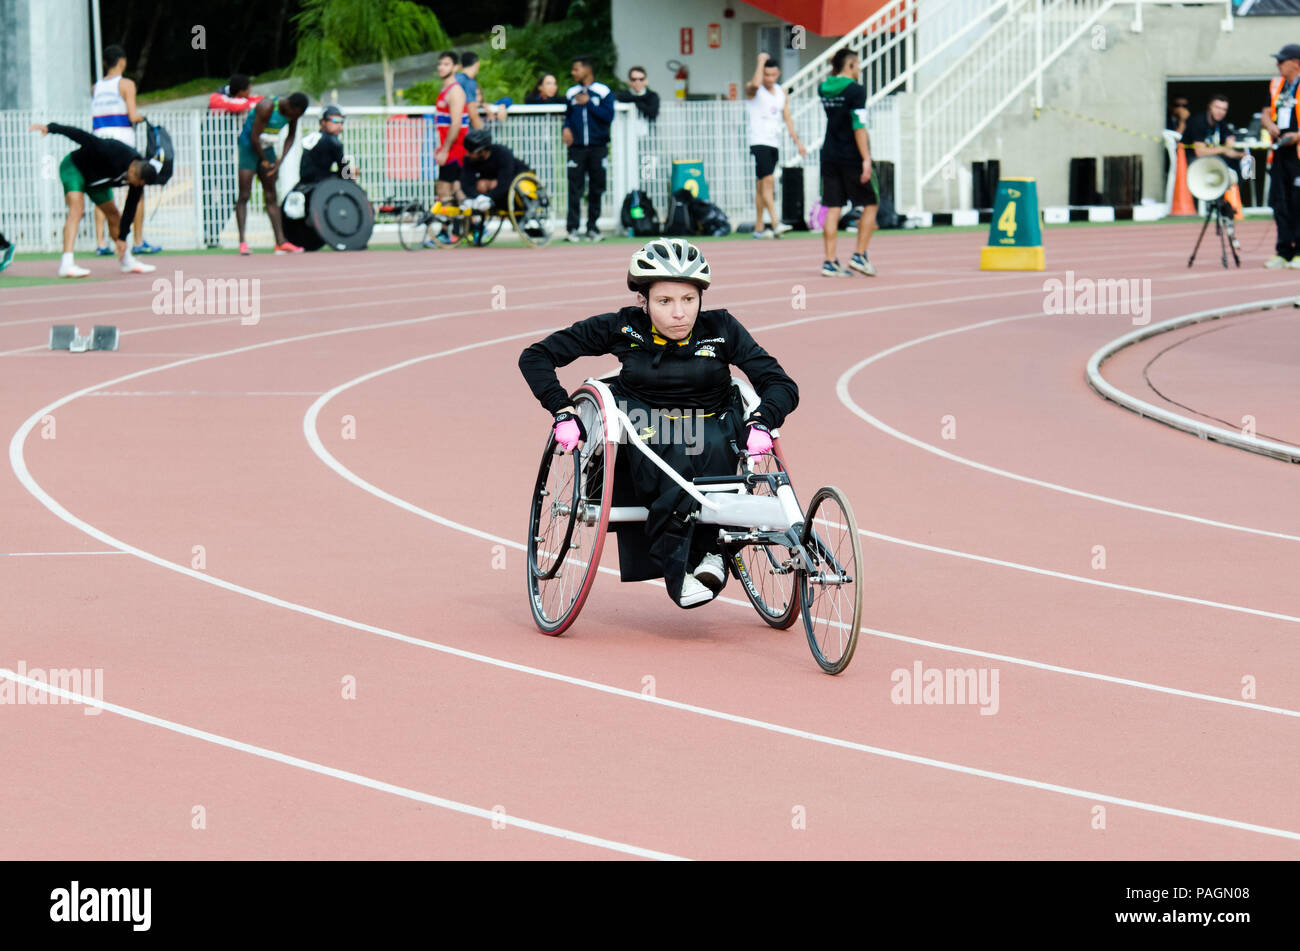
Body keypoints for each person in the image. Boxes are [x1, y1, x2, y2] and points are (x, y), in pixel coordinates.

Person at [517, 238, 799, 608]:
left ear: (701, 298)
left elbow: (780, 382)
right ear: (644, 301)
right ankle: (683, 566)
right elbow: (536, 356)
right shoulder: (623, 328)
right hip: (645, 422)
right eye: (665, 302)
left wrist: (763, 419)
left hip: (713, 421)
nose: (679, 314)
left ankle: (713, 552)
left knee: (711, 447)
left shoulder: (723, 328)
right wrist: (562, 409)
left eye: (689, 300)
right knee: (674, 460)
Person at [28, 121, 158, 277]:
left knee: (114, 215)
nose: (135, 185)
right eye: (136, 182)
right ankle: (66, 264)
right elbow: (81, 136)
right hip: (75, 169)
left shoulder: (139, 177)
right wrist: (52, 128)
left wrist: (122, 237)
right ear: (132, 169)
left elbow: (130, 207)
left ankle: (126, 261)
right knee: (77, 210)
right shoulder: (111, 150)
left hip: (97, 181)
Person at [90, 45, 156, 257]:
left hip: (99, 141)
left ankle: (101, 242)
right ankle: (137, 240)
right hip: (123, 144)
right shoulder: (126, 84)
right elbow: (132, 114)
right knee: (137, 190)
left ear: (105, 63)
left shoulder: (96, 87)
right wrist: (145, 118)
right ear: (122, 62)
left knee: (102, 192)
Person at [818, 49, 877, 277]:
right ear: (850, 64)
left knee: (833, 207)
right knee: (871, 203)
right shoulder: (856, 90)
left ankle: (829, 261)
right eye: (858, 64)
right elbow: (858, 125)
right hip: (851, 155)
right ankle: (860, 255)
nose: (860, 69)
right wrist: (866, 158)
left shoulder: (823, 88)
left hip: (829, 154)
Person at [234, 91, 308, 255]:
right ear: (290, 106)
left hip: (267, 148)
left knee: (271, 195)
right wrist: (265, 162)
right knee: (244, 194)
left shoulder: (294, 113)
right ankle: (242, 242)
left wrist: (279, 161)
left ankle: (281, 242)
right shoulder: (267, 107)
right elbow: (254, 137)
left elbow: (291, 136)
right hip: (249, 147)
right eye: (295, 114)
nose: (295, 118)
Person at [746, 52, 806, 239]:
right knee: (769, 181)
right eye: (766, 75)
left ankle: (758, 227)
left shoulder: (781, 92)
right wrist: (760, 61)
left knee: (761, 184)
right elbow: (754, 84)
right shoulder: (754, 89)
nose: (769, 79)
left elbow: (787, 117)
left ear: (778, 74)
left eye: (773, 75)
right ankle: (774, 221)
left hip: (773, 141)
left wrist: (797, 141)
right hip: (759, 140)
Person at [205, 74, 263, 247]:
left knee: (230, 196)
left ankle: (212, 234)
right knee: (207, 196)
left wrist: (246, 103)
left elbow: (261, 101)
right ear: (240, 91)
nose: (251, 92)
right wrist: (246, 104)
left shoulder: (237, 97)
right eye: (248, 89)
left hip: (224, 156)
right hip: (207, 156)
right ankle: (208, 233)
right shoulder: (217, 98)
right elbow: (235, 106)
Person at [563, 56, 615, 242]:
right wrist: (566, 128)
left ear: (587, 70)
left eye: (576, 69)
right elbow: (568, 115)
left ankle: (592, 227)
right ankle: (572, 229)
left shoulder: (603, 91)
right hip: (576, 148)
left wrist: (590, 103)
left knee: (596, 187)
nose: (573, 73)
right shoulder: (571, 93)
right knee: (574, 188)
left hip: (598, 147)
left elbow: (608, 116)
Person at [1263, 43, 1300, 269]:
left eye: (1282, 61)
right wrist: (1269, 125)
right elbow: (1266, 112)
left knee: (1299, 202)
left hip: (1298, 153)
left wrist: (1297, 136)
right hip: (1279, 151)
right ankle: (1283, 250)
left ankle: (1299, 251)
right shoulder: (1277, 84)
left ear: (1296, 63)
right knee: (1280, 202)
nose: (1278, 65)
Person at [458, 128, 529, 211]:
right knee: (481, 185)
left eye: (470, 151)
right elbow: (466, 183)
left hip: (514, 181)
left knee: (493, 184)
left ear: (482, 151)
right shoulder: (470, 159)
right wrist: (479, 197)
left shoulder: (503, 154)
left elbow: (505, 181)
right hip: (491, 189)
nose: (467, 154)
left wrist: (490, 197)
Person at [435, 51, 470, 206]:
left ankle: (471, 222)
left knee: (446, 189)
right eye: (440, 64)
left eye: (446, 64)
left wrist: (445, 149)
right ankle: (458, 226)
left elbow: (456, 124)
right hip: (447, 148)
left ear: (455, 67)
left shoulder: (455, 91)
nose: (441, 67)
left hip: (455, 149)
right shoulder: (444, 91)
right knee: (453, 188)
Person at [297, 105, 353, 185]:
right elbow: (344, 171)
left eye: (342, 122)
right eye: (335, 121)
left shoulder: (314, 136)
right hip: (319, 182)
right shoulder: (332, 141)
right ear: (323, 122)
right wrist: (351, 177)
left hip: (305, 182)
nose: (339, 125)